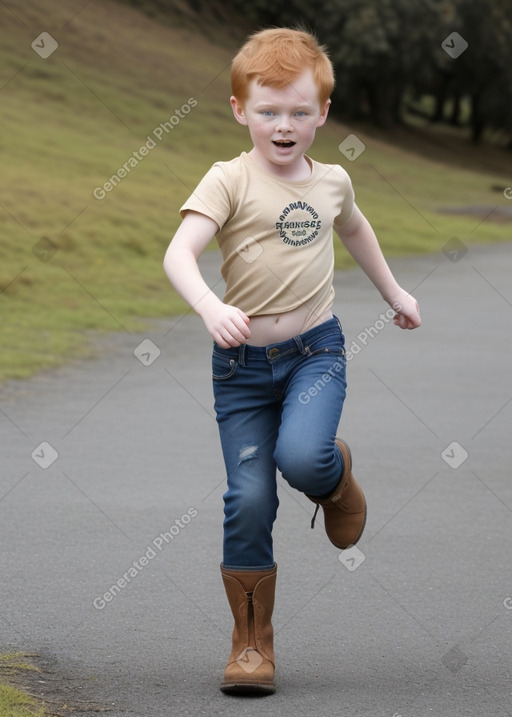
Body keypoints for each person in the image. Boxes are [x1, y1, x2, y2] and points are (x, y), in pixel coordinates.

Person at [163, 27, 421, 696]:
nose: (285, 125)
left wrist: (394, 292)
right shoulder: (228, 179)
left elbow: (357, 228)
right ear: (239, 109)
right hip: (240, 371)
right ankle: (251, 642)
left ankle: (333, 479)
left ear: (323, 115)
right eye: (269, 111)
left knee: (302, 457)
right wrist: (209, 307)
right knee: (247, 498)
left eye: (300, 112)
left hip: (316, 353)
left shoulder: (332, 181)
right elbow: (178, 253)